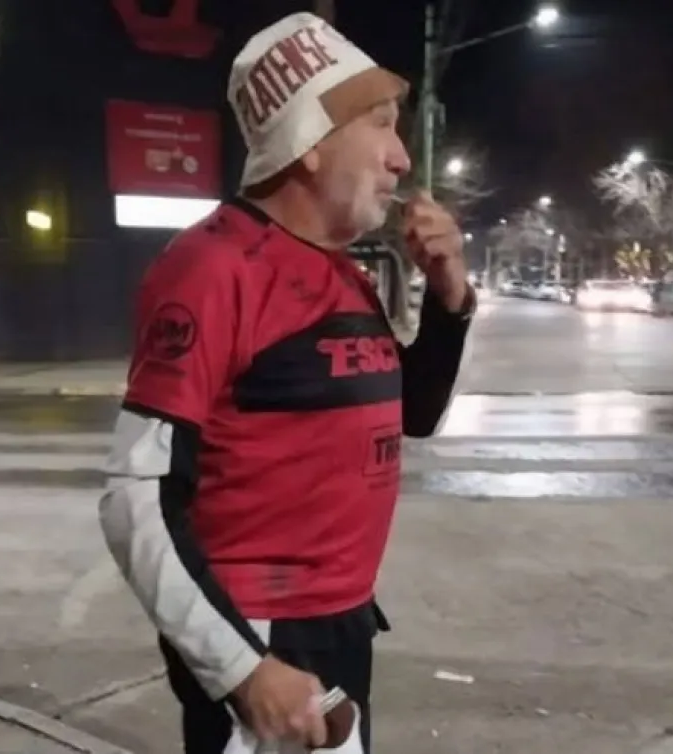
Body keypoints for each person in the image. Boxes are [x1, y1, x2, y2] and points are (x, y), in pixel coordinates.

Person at [99, 12, 475, 754]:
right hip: (264, 639)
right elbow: (134, 498)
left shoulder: (342, 274)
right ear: (309, 143)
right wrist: (243, 669)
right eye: (380, 125)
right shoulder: (213, 268)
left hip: (340, 624)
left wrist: (448, 299)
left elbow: (415, 414)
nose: (402, 159)